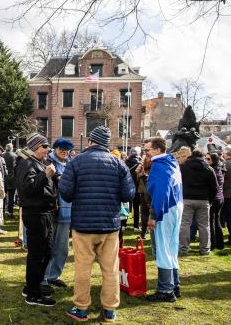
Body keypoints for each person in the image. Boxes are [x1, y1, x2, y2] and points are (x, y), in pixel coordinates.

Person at [60, 127, 134, 322]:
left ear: (91, 141)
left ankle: (81, 307)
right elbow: (128, 195)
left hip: (83, 224)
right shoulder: (118, 164)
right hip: (109, 224)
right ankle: (110, 309)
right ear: (106, 144)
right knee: (110, 268)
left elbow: (66, 193)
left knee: (83, 268)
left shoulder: (76, 162)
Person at [16, 133, 57, 307]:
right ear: (35, 148)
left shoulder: (38, 163)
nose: (48, 150)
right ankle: (33, 294)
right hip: (36, 213)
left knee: (45, 252)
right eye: (44, 146)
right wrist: (45, 175)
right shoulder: (27, 163)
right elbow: (28, 189)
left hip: (44, 212)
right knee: (38, 254)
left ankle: (31, 286)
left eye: (48, 146)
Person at [143, 137, 183, 303]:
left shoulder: (159, 165)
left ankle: (165, 290)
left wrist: (153, 216)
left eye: (148, 151)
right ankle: (174, 285)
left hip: (165, 209)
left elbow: (160, 192)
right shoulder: (171, 161)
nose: (145, 154)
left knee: (163, 248)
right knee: (171, 247)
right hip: (176, 206)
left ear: (158, 150)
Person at [42, 138, 73, 290]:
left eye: (67, 149)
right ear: (55, 149)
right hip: (52, 210)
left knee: (62, 248)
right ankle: (44, 278)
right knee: (49, 247)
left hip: (67, 212)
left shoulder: (71, 164)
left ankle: (54, 275)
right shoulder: (48, 163)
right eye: (61, 148)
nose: (64, 151)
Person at [179, 150, 217, 255]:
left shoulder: (183, 167)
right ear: (203, 156)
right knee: (204, 225)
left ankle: (183, 249)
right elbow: (214, 187)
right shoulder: (209, 169)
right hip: (203, 200)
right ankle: (205, 249)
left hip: (186, 199)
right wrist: (210, 200)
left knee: (184, 224)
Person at [206, 152, 225, 250]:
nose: (206, 160)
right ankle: (220, 243)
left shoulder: (212, 170)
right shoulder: (220, 169)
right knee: (216, 220)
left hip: (214, 199)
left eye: (208, 159)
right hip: (220, 198)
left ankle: (213, 244)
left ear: (213, 160)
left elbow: (213, 186)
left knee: (211, 221)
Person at [125, 147, 142, 231]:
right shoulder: (139, 162)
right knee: (136, 207)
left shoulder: (125, 162)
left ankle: (123, 224)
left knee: (126, 205)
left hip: (127, 185)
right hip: (137, 186)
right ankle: (136, 226)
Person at [2, 143, 18, 218]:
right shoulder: (15, 156)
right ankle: (10, 212)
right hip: (12, 177)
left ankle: (2, 211)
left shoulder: (2, 155)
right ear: (12, 148)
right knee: (11, 196)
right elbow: (16, 167)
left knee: (2, 195)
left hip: (4, 177)